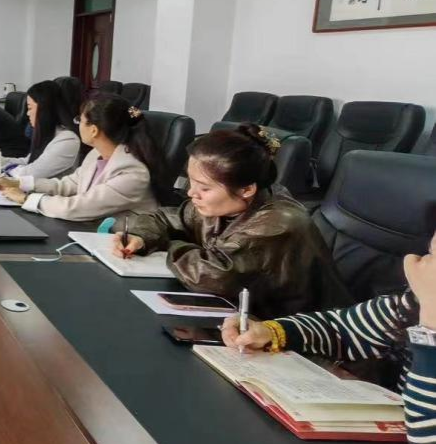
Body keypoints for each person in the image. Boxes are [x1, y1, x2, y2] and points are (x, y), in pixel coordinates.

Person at [223, 229, 436, 444]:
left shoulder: (429, 307)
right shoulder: (413, 303)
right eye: (429, 251)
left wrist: (431, 324)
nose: (417, 261)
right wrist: (271, 332)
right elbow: (341, 330)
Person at [113, 126, 350, 319]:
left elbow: (213, 275)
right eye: (191, 182)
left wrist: (168, 244)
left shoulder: (279, 223)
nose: (191, 193)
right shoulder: (225, 203)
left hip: (306, 342)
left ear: (247, 189)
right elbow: (164, 218)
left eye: (204, 188)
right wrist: (141, 236)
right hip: (246, 321)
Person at [0, 93, 159, 221]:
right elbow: (68, 185)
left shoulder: (132, 172)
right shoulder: (96, 154)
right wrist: (19, 183)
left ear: (94, 130)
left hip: (121, 245)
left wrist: (26, 199)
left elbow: (77, 207)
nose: (77, 124)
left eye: (79, 120)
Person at [0, 79, 80, 181]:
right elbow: (27, 161)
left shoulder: (68, 140)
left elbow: (30, 173)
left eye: (30, 108)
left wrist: (7, 170)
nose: (28, 113)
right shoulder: (50, 133)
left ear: (44, 110)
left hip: (43, 191)